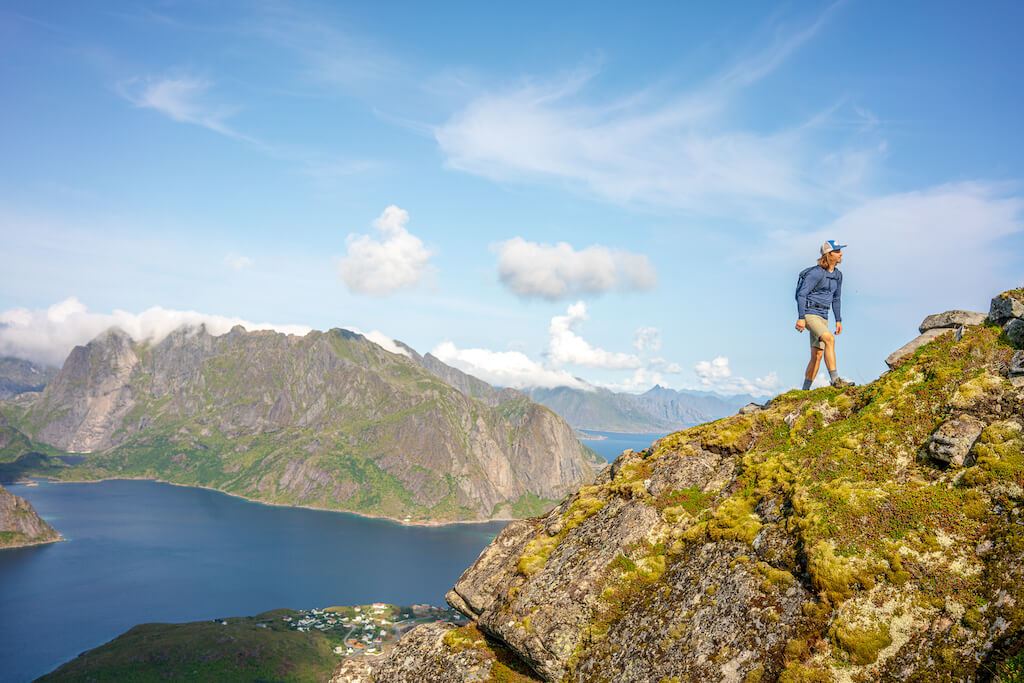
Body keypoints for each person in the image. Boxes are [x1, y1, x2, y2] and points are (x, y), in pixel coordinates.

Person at [796, 240, 854, 390]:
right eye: (837, 251)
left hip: (824, 316)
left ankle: (804, 390)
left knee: (817, 355)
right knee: (829, 339)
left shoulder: (838, 276)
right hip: (810, 314)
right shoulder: (816, 273)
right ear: (829, 255)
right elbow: (802, 295)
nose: (841, 254)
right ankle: (836, 380)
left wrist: (838, 320)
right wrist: (801, 318)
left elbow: (836, 298)